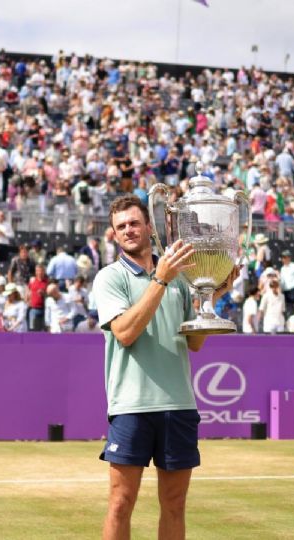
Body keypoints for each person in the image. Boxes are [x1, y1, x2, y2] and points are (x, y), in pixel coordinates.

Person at [91, 195, 234, 540]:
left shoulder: (182, 278)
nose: (128, 230)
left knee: (174, 503)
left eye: (134, 223)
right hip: (132, 406)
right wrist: (161, 280)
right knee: (121, 502)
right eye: (121, 226)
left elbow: (194, 342)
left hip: (179, 405)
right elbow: (124, 333)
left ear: (149, 227)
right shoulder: (110, 277)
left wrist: (215, 295)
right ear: (114, 234)